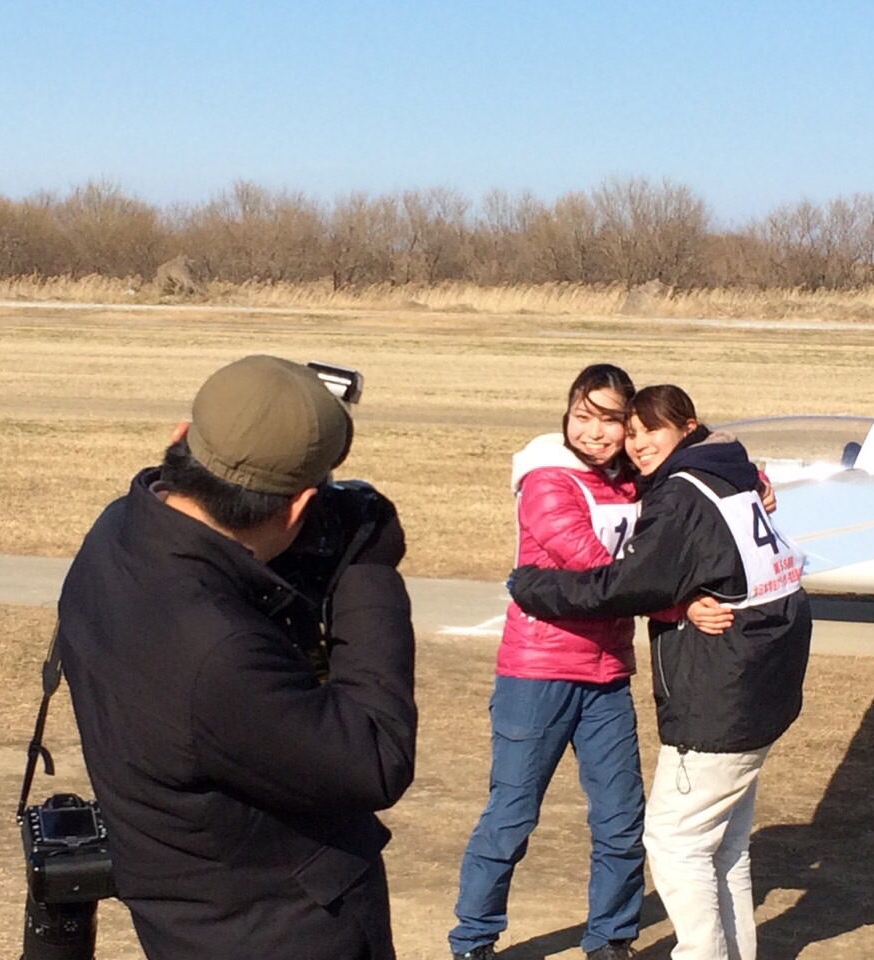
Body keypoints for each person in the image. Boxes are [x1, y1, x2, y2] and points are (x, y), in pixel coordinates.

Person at [56, 355, 417, 960]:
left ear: (181, 438)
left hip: (186, 913)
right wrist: (368, 569)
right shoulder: (218, 651)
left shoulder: (118, 533)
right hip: (277, 932)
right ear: (297, 508)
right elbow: (375, 758)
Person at [509, 384, 812, 960]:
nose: (638, 443)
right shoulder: (728, 472)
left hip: (721, 697)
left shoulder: (680, 494)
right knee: (723, 847)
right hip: (764, 686)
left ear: (687, 430)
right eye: (633, 431)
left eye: (653, 430)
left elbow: (624, 585)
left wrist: (534, 586)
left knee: (674, 842)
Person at [448, 365, 729, 960]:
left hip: (607, 675)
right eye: (583, 416)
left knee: (621, 819)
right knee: (512, 816)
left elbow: (701, 458)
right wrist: (678, 603)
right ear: (567, 413)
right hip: (537, 674)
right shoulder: (547, 480)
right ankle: (473, 939)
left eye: (610, 420)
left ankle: (610, 939)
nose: (595, 433)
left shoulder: (631, 480)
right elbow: (600, 571)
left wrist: (755, 480)